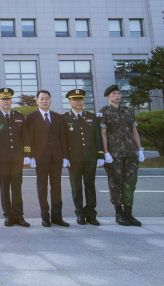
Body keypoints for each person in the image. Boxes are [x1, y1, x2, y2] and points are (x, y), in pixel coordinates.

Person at [100, 84, 145, 226]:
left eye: (118, 93)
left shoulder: (128, 111)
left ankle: (128, 212)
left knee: (130, 183)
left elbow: (134, 131)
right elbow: (103, 133)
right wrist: (105, 152)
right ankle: (118, 212)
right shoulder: (104, 112)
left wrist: (140, 149)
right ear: (107, 96)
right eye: (113, 94)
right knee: (115, 183)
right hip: (114, 154)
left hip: (130, 153)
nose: (117, 96)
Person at [0, 88, 31, 228]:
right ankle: (8, 216)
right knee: (4, 188)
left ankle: (19, 216)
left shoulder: (19, 116)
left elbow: (25, 136)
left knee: (17, 187)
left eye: (8, 99)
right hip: (1, 159)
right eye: (3, 99)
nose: (6, 101)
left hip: (17, 158)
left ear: (11, 101)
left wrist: (27, 154)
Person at [26, 90, 69, 227]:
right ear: (37, 101)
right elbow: (29, 138)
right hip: (40, 158)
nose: (44, 101)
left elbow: (63, 138)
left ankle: (57, 216)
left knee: (56, 187)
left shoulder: (57, 117)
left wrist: (65, 156)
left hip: (56, 157)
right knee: (42, 187)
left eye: (47, 99)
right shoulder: (31, 117)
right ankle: (45, 217)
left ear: (50, 101)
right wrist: (31, 156)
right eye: (42, 99)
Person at [62, 89, 104, 226]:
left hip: (90, 157)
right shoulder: (65, 118)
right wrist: (65, 156)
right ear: (70, 102)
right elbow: (63, 140)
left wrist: (100, 154)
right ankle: (79, 214)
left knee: (90, 186)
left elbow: (98, 137)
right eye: (75, 99)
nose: (78, 102)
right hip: (73, 158)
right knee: (76, 187)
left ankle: (91, 214)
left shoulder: (91, 117)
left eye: (80, 99)